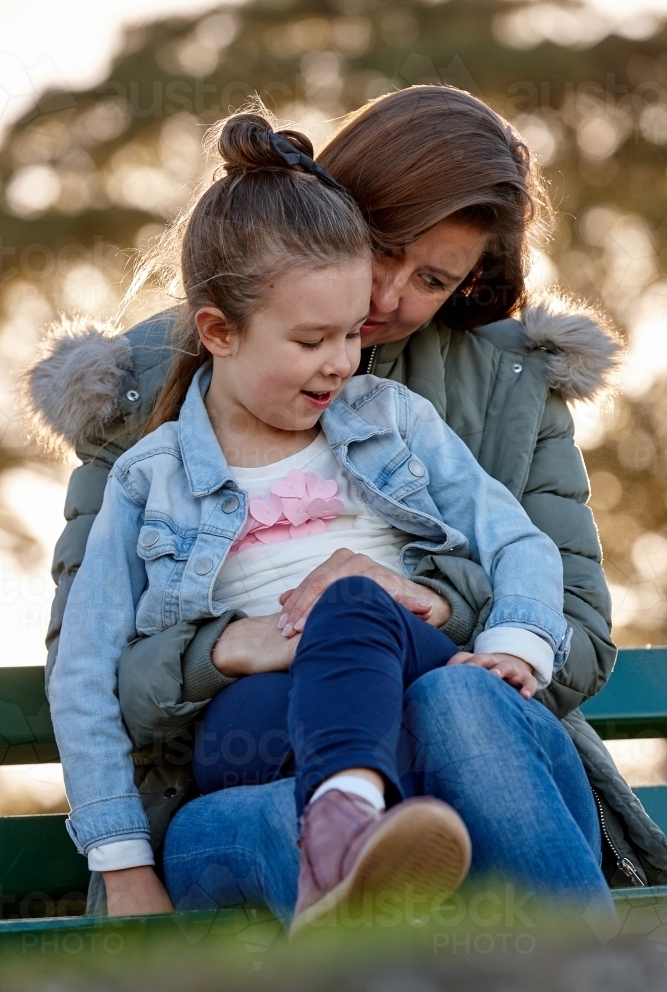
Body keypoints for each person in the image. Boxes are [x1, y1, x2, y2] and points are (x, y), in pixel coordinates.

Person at [27, 87, 650, 924]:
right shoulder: (147, 425)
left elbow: (571, 626)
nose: (381, 302)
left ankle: (579, 958)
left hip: (472, 744)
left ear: (470, 284)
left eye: (430, 279)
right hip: (249, 754)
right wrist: (222, 651)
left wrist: (412, 603)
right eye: (381, 249)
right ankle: (359, 852)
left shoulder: (470, 396)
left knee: (446, 694)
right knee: (267, 807)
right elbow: (93, 667)